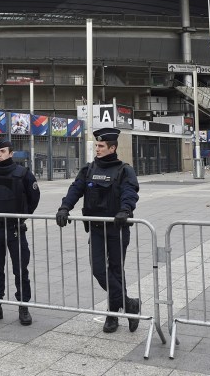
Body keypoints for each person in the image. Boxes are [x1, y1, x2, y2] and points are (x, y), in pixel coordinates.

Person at [55, 127, 140, 333]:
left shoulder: (124, 170)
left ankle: (112, 315)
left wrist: (125, 210)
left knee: (116, 270)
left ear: (113, 147)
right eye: (96, 146)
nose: (97, 149)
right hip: (96, 229)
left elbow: (130, 192)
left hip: (117, 228)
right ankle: (129, 304)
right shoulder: (89, 169)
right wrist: (65, 207)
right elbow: (75, 189)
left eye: (101, 146)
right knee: (99, 270)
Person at [0, 138, 41, 325]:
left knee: (20, 269)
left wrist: (21, 217)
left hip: (15, 229)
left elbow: (34, 198)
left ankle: (23, 307)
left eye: (3, 151)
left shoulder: (23, 174)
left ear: (11, 153)